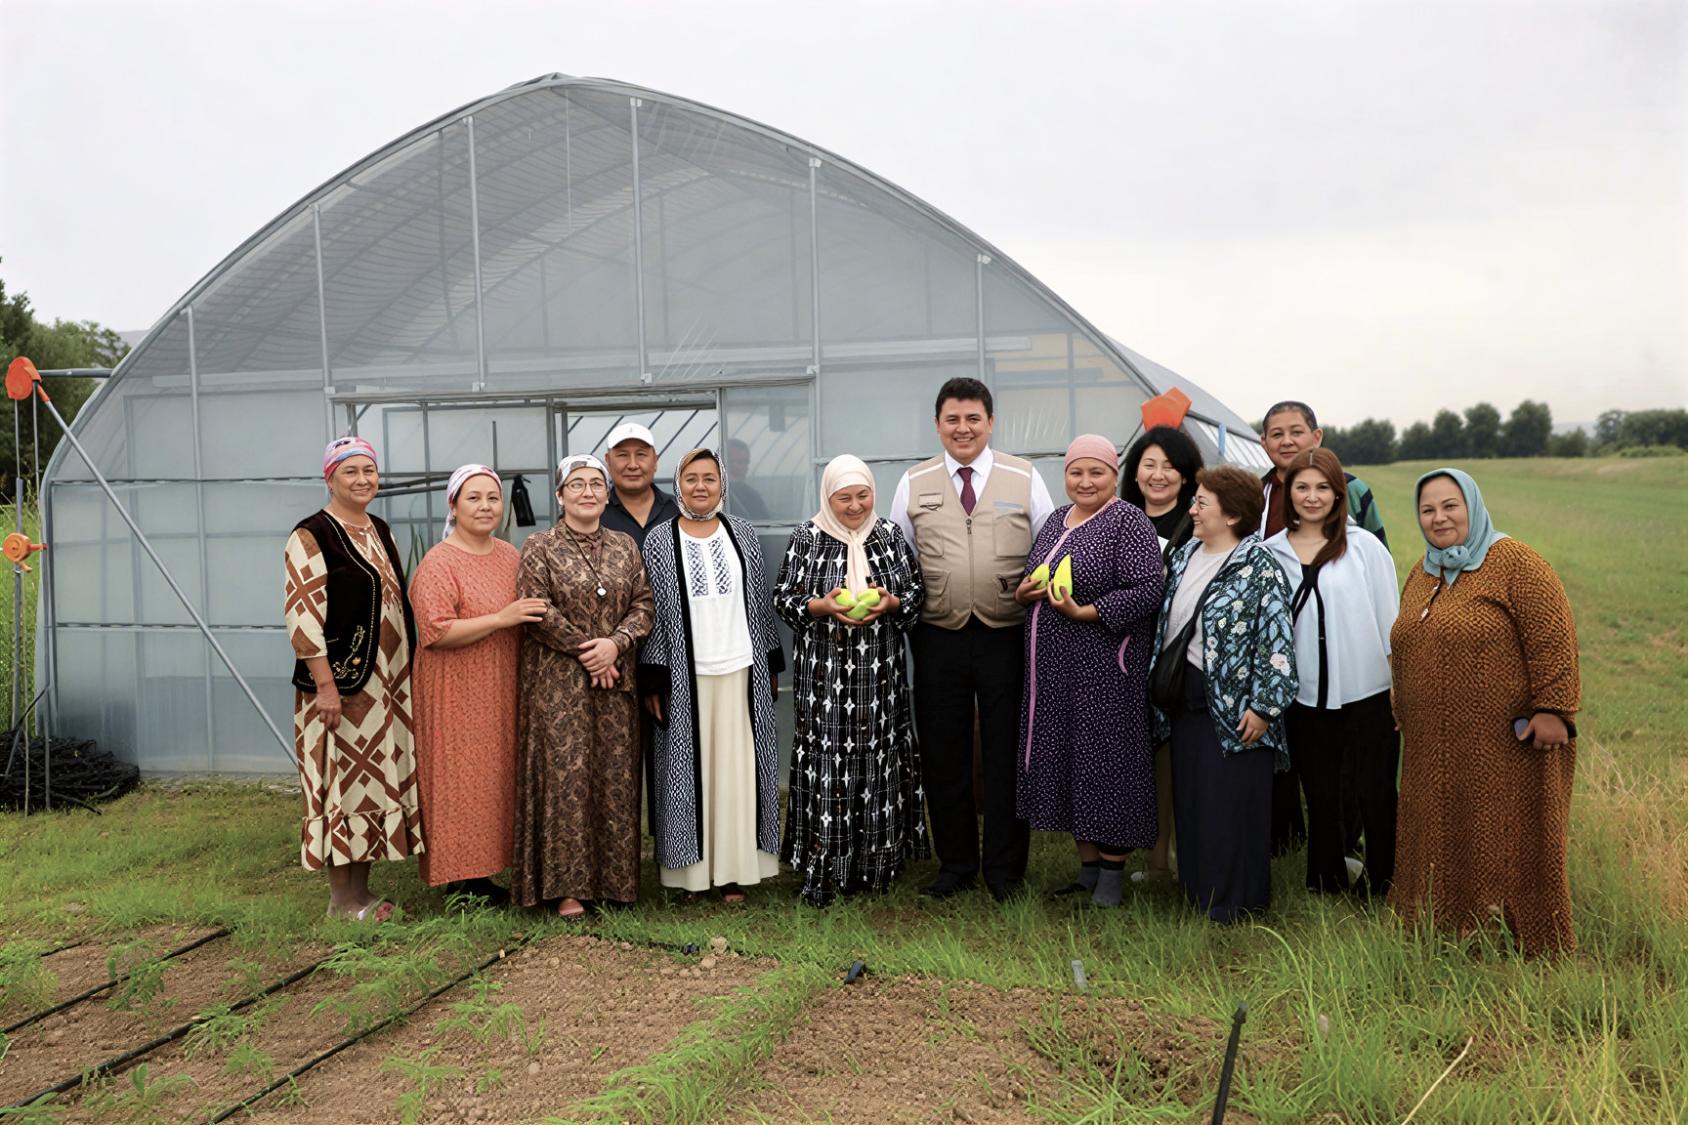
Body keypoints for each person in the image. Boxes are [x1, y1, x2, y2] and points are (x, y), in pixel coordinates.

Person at [1390, 469, 1580, 954]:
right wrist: (1401, 702)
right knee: (1441, 828)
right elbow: (1406, 643)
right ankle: (1443, 925)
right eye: (1428, 509)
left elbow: (1552, 636)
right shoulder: (1422, 570)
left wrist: (1553, 709)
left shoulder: (1516, 563)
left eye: (1450, 505)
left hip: (1504, 741)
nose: (1439, 518)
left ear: (1472, 506)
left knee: (1502, 831)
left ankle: (1515, 935)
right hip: (1432, 742)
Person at [889, 377, 1056, 902]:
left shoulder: (1023, 476)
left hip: (1007, 633)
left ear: (990, 422)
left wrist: (1039, 581)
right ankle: (956, 864)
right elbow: (900, 555)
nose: (963, 429)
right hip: (937, 634)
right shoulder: (912, 483)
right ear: (938, 424)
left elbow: (1051, 546)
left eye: (973, 419)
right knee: (945, 752)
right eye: (952, 419)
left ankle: (1005, 871)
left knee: (1007, 753)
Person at [1014, 435, 1163, 907]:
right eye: (1076, 472)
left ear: (1114, 474)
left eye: (1096, 472)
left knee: (1108, 764)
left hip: (1104, 668)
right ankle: (1088, 869)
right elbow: (1034, 574)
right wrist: (1023, 593)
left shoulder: (1128, 521)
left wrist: (1089, 612)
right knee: (1070, 761)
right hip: (1055, 672)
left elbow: (1147, 590)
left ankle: (1114, 875)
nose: (1085, 481)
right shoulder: (1057, 519)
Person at [773, 454, 928, 906]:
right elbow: (784, 598)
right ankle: (826, 864)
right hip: (824, 680)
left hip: (879, 679)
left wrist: (891, 602)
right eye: (845, 497)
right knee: (828, 765)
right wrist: (821, 606)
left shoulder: (890, 535)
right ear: (828, 497)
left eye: (863, 495)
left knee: (878, 759)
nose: (856, 506)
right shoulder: (808, 536)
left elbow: (917, 593)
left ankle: (875, 865)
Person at [1149, 465, 1297, 923]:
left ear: (1232, 515)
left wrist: (1264, 707)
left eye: (1201, 503)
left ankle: (1235, 904)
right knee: (1195, 804)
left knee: (1230, 808)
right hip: (1186, 707)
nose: (1191, 509)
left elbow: (1277, 643)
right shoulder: (1185, 554)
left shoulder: (1260, 567)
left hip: (1237, 713)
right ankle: (1199, 895)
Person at [283, 436, 422, 921]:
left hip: (387, 684)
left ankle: (361, 895)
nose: (363, 480)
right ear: (330, 478)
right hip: (341, 685)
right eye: (351, 472)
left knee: (371, 786)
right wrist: (324, 685)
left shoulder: (378, 528)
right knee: (339, 785)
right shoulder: (311, 535)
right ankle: (341, 903)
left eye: (370, 471)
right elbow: (303, 617)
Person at [511, 455, 655, 917]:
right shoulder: (539, 546)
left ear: (607, 493)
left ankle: (617, 883)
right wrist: (588, 651)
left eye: (596, 484)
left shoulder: (625, 547)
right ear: (560, 495)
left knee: (615, 774)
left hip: (615, 681)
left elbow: (643, 604)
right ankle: (567, 888)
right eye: (577, 484)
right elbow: (536, 609)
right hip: (559, 683)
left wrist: (615, 645)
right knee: (567, 777)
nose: (588, 492)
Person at [640, 448, 786, 901]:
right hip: (686, 676)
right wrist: (654, 675)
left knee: (739, 773)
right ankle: (691, 877)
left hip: (742, 670)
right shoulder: (659, 540)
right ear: (678, 485)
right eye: (690, 478)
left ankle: (734, 872)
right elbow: (655, 613)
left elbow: (758, 602)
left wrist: (770, 662)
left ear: (723, 484)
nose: (700, 486)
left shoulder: (741, 533)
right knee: (688, 775)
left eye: (709, 478)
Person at [1264, 449, 1400, 896]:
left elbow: (1389, 621)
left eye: (1323, 487)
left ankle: (1384, 881)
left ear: (1339, 493)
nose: (1312, 496)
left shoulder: (1364, 548)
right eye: (1302, 487)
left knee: (1374, 792)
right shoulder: (1270, 554)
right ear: (1289, 493)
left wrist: (1398, 685)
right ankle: (1326, 880)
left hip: (1367, 690)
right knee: (1320, 795)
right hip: (1303, 697)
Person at [409, 465, 546, 905]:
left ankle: (485, 872)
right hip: (455, 686)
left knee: (493, 776)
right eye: (474, 498)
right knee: (459, 777)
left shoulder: (510, 555)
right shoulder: (439, 562)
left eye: (492, 497)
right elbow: (436, 632)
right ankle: (461, 880)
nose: (485, 506)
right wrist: (500, 619)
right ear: (453, 505)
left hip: (500, 682)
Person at [1120, 424, 1204, 883]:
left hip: (1178, 657)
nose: (1158, 475)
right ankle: (1138, 851)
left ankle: (1164, 862)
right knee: (1138, 757)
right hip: (1124, 653)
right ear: (1134, 473)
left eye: (1169, 466)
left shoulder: (1198, 525)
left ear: (1187, 476)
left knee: (1172, 758)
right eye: (1149, 465)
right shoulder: (1117, 520)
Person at [597, 421, 682, 843]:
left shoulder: (678, 510)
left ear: (656, 460)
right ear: (609, 462)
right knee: (616, 764)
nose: (633, 464)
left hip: (677, 659)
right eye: (623, 456)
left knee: (674, 759)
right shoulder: (594, 511)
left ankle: (675, 851)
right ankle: (618, 857)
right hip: (611, 660)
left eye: (641, 454)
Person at [724, 437, 771, 520]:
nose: (744, 467)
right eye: (739, 462)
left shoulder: (752, 495)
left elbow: (765, 521)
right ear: (725, 462)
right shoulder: (711, 495)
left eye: (746, 462)